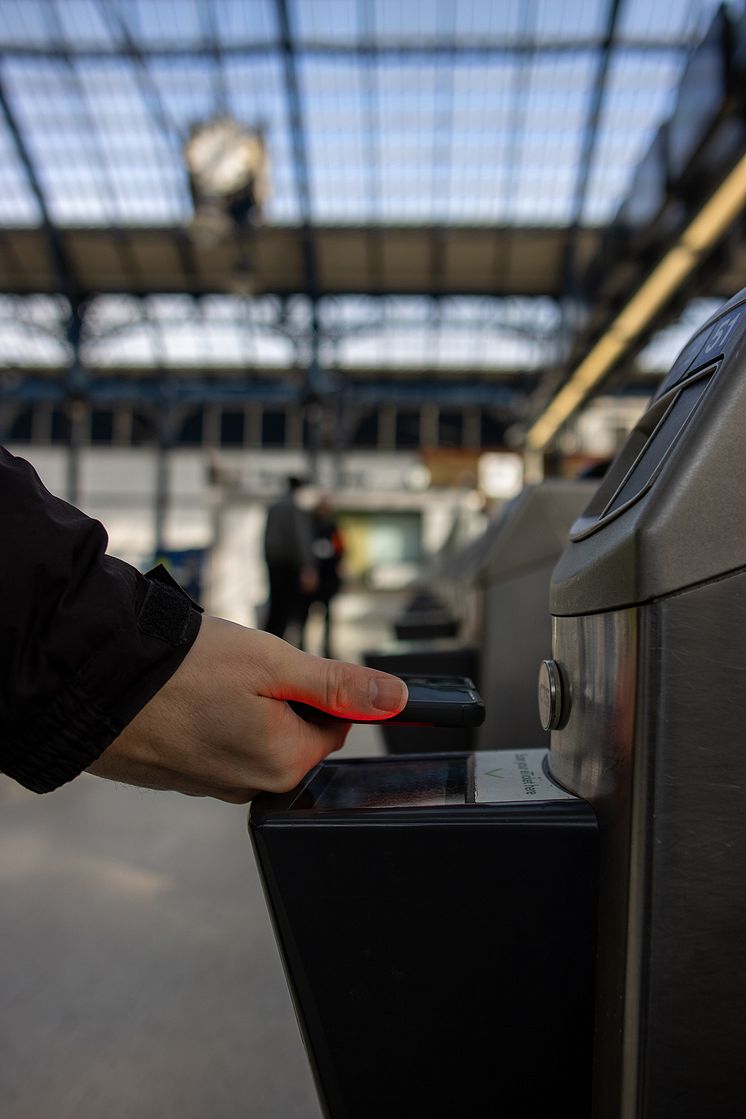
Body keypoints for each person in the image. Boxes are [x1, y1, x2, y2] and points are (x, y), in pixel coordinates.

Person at [0, 446, 408, 799]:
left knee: (284, 620)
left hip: (273, 575)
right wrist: (131, 668)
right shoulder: (297, 514)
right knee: (299, 618)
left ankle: (288, 655)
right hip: (287, 579)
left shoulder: (276, 510)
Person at [262, 475, 318, 647]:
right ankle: (281, 650)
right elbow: (301, 539)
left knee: (276, 609)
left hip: (274, 564)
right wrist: (308, 566)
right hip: (289, 566)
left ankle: (269, 647)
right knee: (289, 610)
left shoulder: (275, 507)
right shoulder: (294, 508)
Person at [308, 495, 345, 659]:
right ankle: (303, 647)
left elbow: (341, 548)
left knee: (328, 616)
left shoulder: (332, 527)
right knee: (306, 614)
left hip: (328, 577)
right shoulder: (310, 526)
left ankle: (327, 647)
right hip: (314, 576)